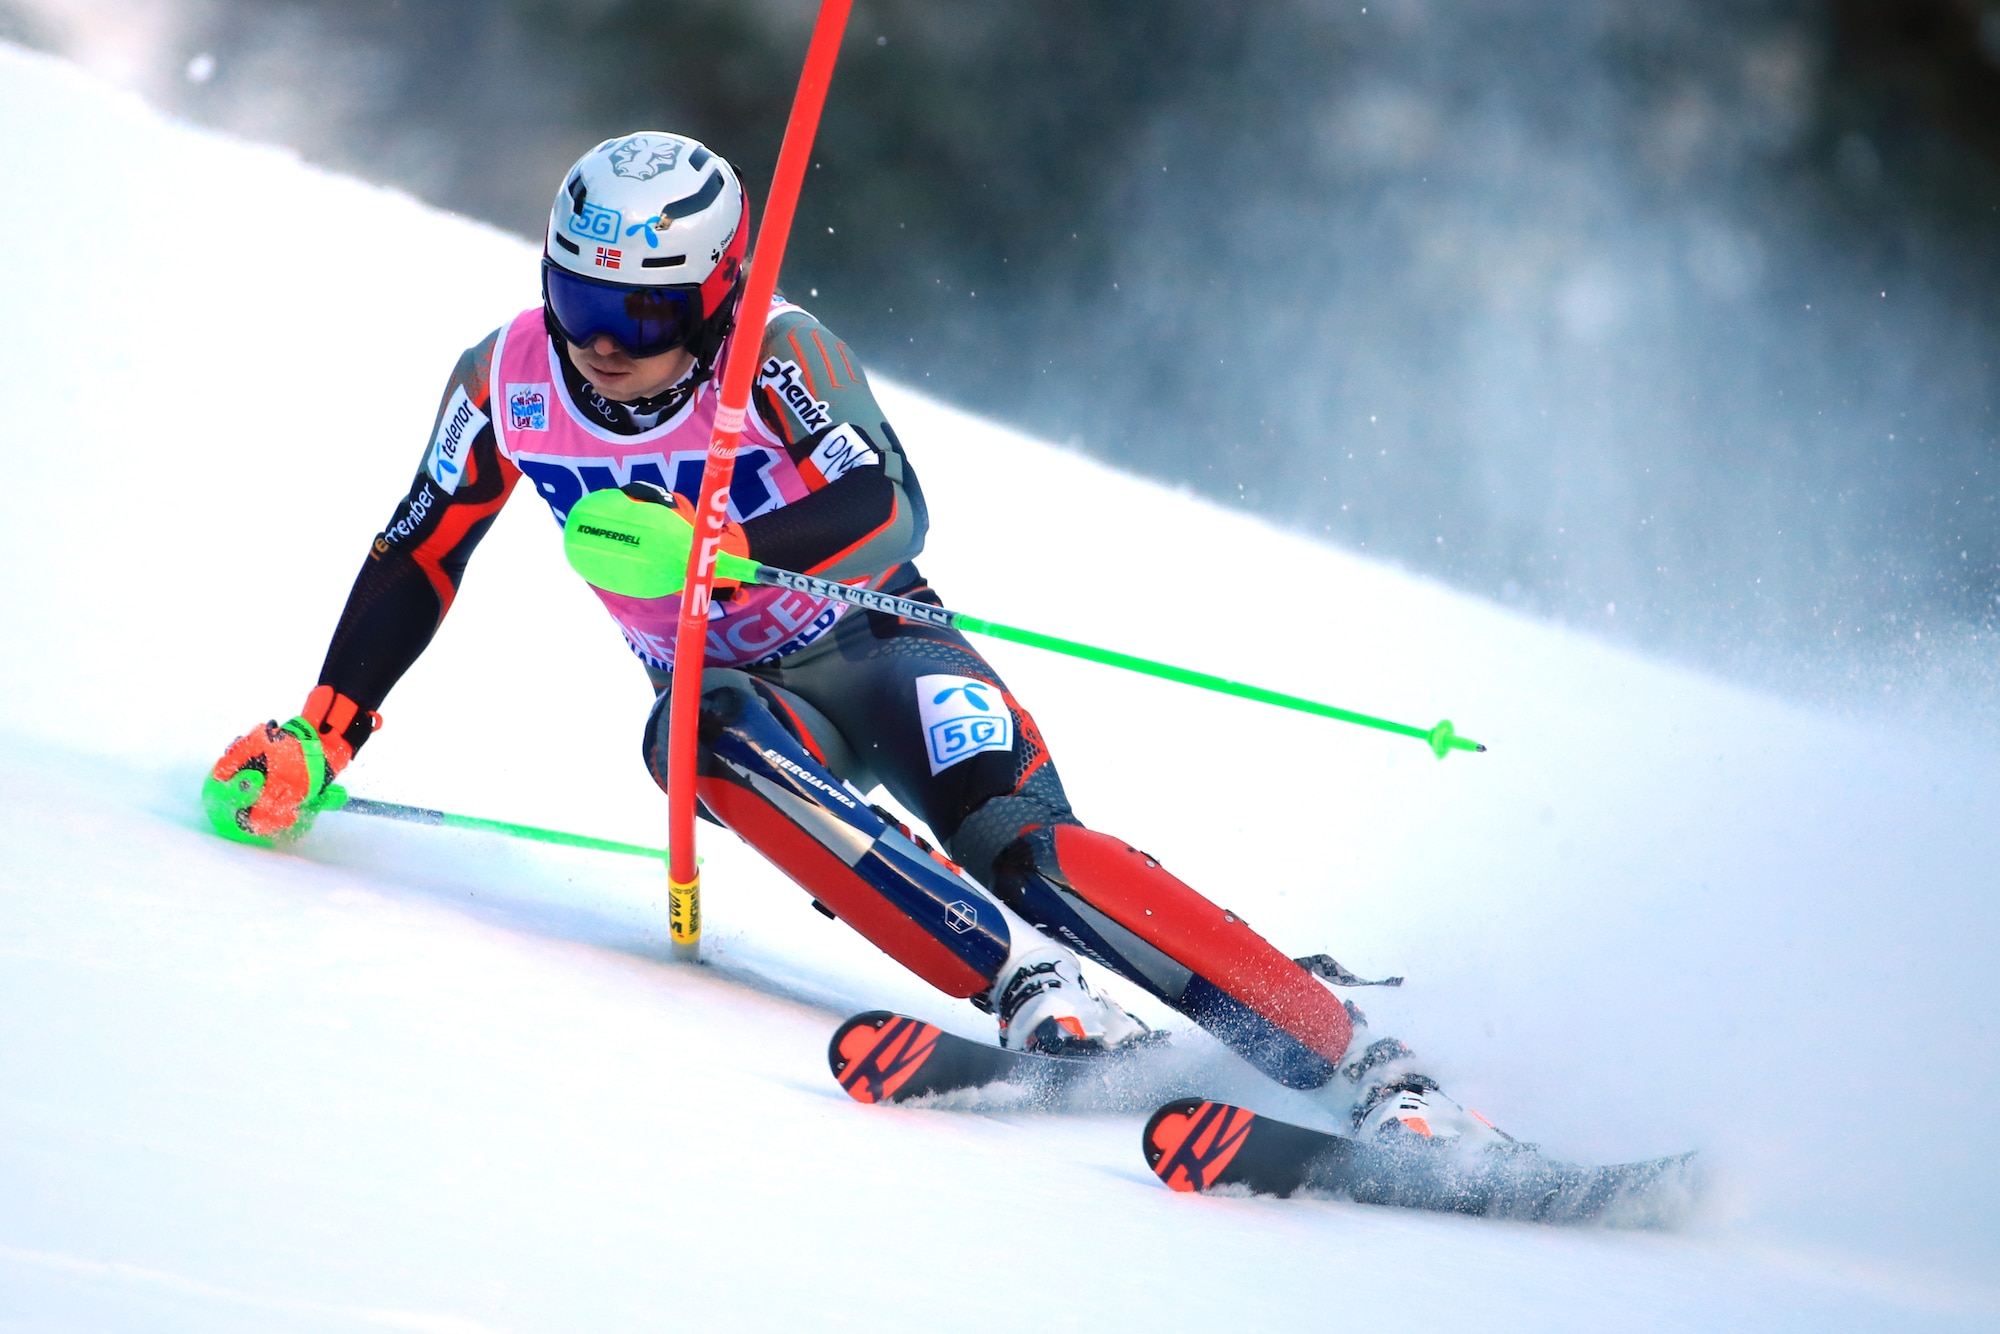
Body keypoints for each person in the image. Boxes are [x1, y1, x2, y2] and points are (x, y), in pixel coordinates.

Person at [205, 132, 1500, 1145]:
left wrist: (730, 553)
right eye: (580, 303)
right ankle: (1031, 993)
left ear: (712, 295)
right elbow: (418, 545)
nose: (604, 348)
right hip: (752, 699)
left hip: (885, 650)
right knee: (693, 734)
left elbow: (890, 503)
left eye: (643, 322)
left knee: (1029, 847)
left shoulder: (776, 354)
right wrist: (323, 731)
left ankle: (1368, 1063)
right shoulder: (507, 381)